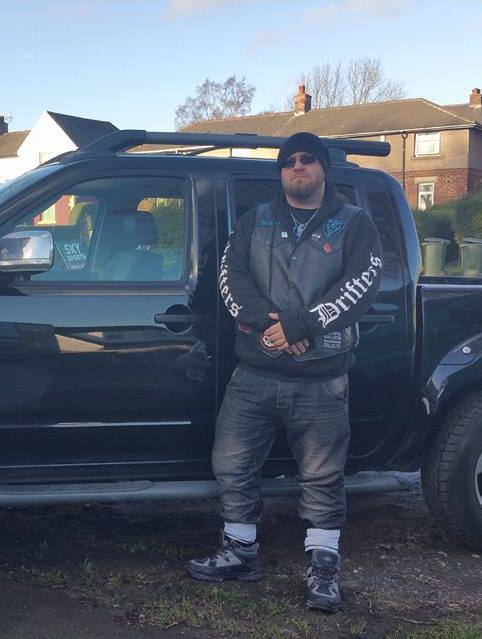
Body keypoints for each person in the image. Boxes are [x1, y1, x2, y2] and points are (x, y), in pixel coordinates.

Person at [186, 132, 383, 613]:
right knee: (231, 463)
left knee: (322, 476)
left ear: (322, 169)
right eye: (289, 161)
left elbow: (363, 283)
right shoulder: (255, 221)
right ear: (280, 171)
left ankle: (323, 571)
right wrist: (264, 325)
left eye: (307, 160)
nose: (298, 167)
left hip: (321, 375)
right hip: (255, 372)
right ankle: (240, 551)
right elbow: (231, 277)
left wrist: (301, 325)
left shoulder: (354, 224)